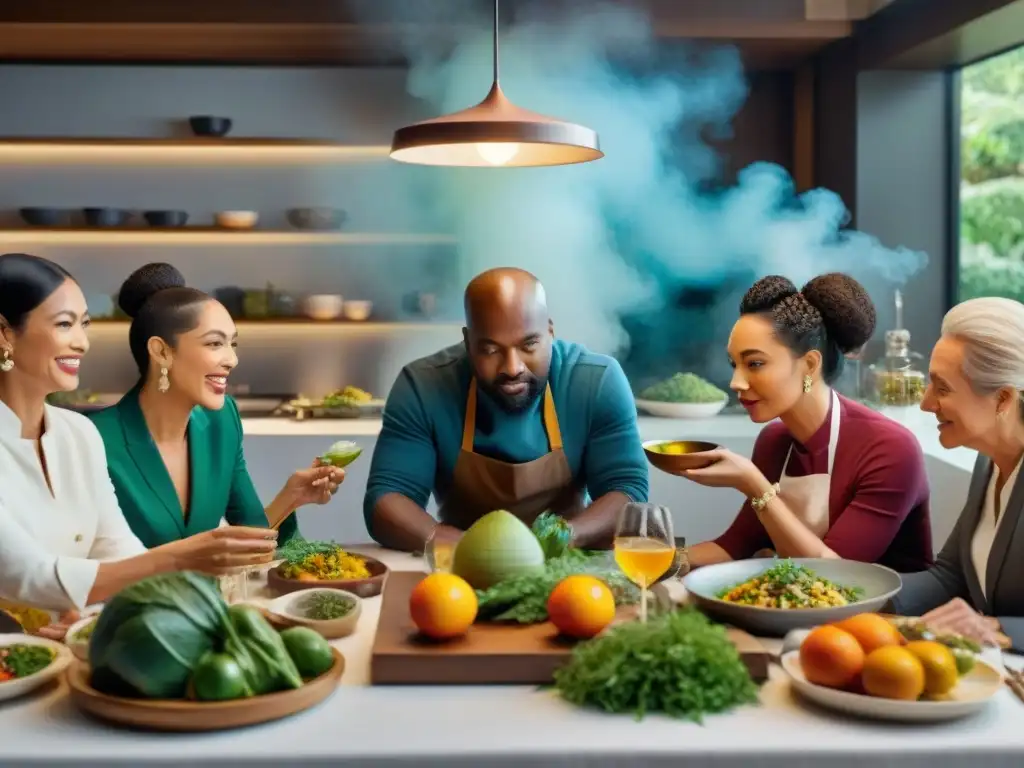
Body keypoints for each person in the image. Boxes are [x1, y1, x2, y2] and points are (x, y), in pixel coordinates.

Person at [0, 252, 279, 628]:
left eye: (85, 324)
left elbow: (117, 551)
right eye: (64, 324)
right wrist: (181, 558)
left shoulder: (78, 435)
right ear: (4, 333)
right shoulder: (103, 432)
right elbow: (30, 575)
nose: (82, 342)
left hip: (73, 648)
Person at [363, 267, 649, 551]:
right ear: (468, 342)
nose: (513, 367)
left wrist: (558, 541)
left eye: (529, 345)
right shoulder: (423, 386)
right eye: (490, 350)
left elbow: (627, 490)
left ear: (549, 331)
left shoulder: (596, 381)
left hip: (568, 562)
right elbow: (387, 499)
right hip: (458, 566)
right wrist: (472, 550)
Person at [680, 273, 934, 572]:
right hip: (801, 608)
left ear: (810, 365)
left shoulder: (889, 449)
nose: (736, 382)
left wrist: (754, 485)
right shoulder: (774, 441)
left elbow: (836, 574)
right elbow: (733, 547)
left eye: (755, 364)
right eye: (734, 365)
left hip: (886, 613)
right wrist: (642, 565)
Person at [89, 263, 345, 549]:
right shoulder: (91, 441)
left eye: (232, 345)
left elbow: (249, 534)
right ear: (161, 352)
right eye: (214, 344)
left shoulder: (222, 420)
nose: (231, 360)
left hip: (210, 594)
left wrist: (292, 497)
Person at [891, 297, 1024, 650]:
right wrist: (840, 594)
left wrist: (999, 628)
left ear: (1003, 399)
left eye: (942, 388)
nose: (925, 403)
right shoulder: (988, 463)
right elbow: (949, 578)